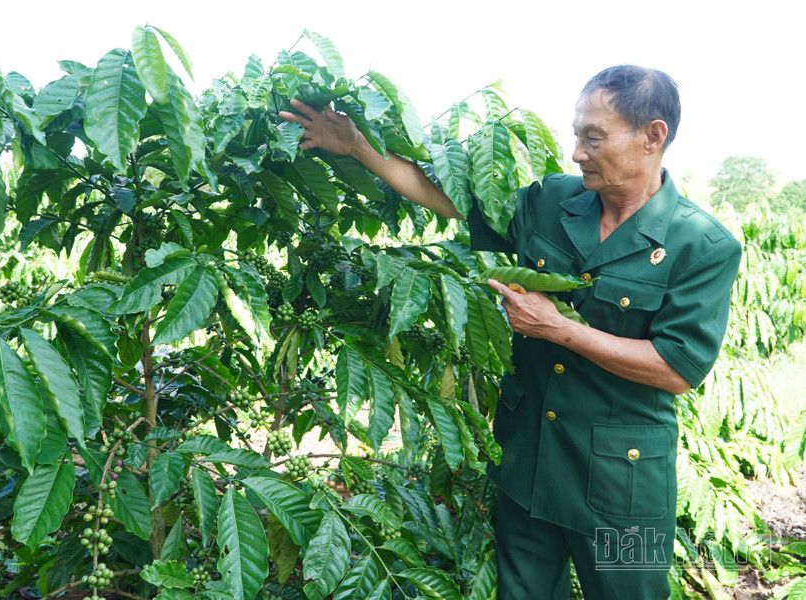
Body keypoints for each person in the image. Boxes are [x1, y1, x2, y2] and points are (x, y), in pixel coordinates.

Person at [280, 65, 742, 600]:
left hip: (625, 491)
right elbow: (444, 195)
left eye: (593, 137)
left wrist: (559, 329)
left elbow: (677, 368)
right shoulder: (550, 201)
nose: (576, 152)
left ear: (652, 137)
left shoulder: (701, 245)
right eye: (576, 134)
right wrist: (356, 144)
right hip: (530, 466)